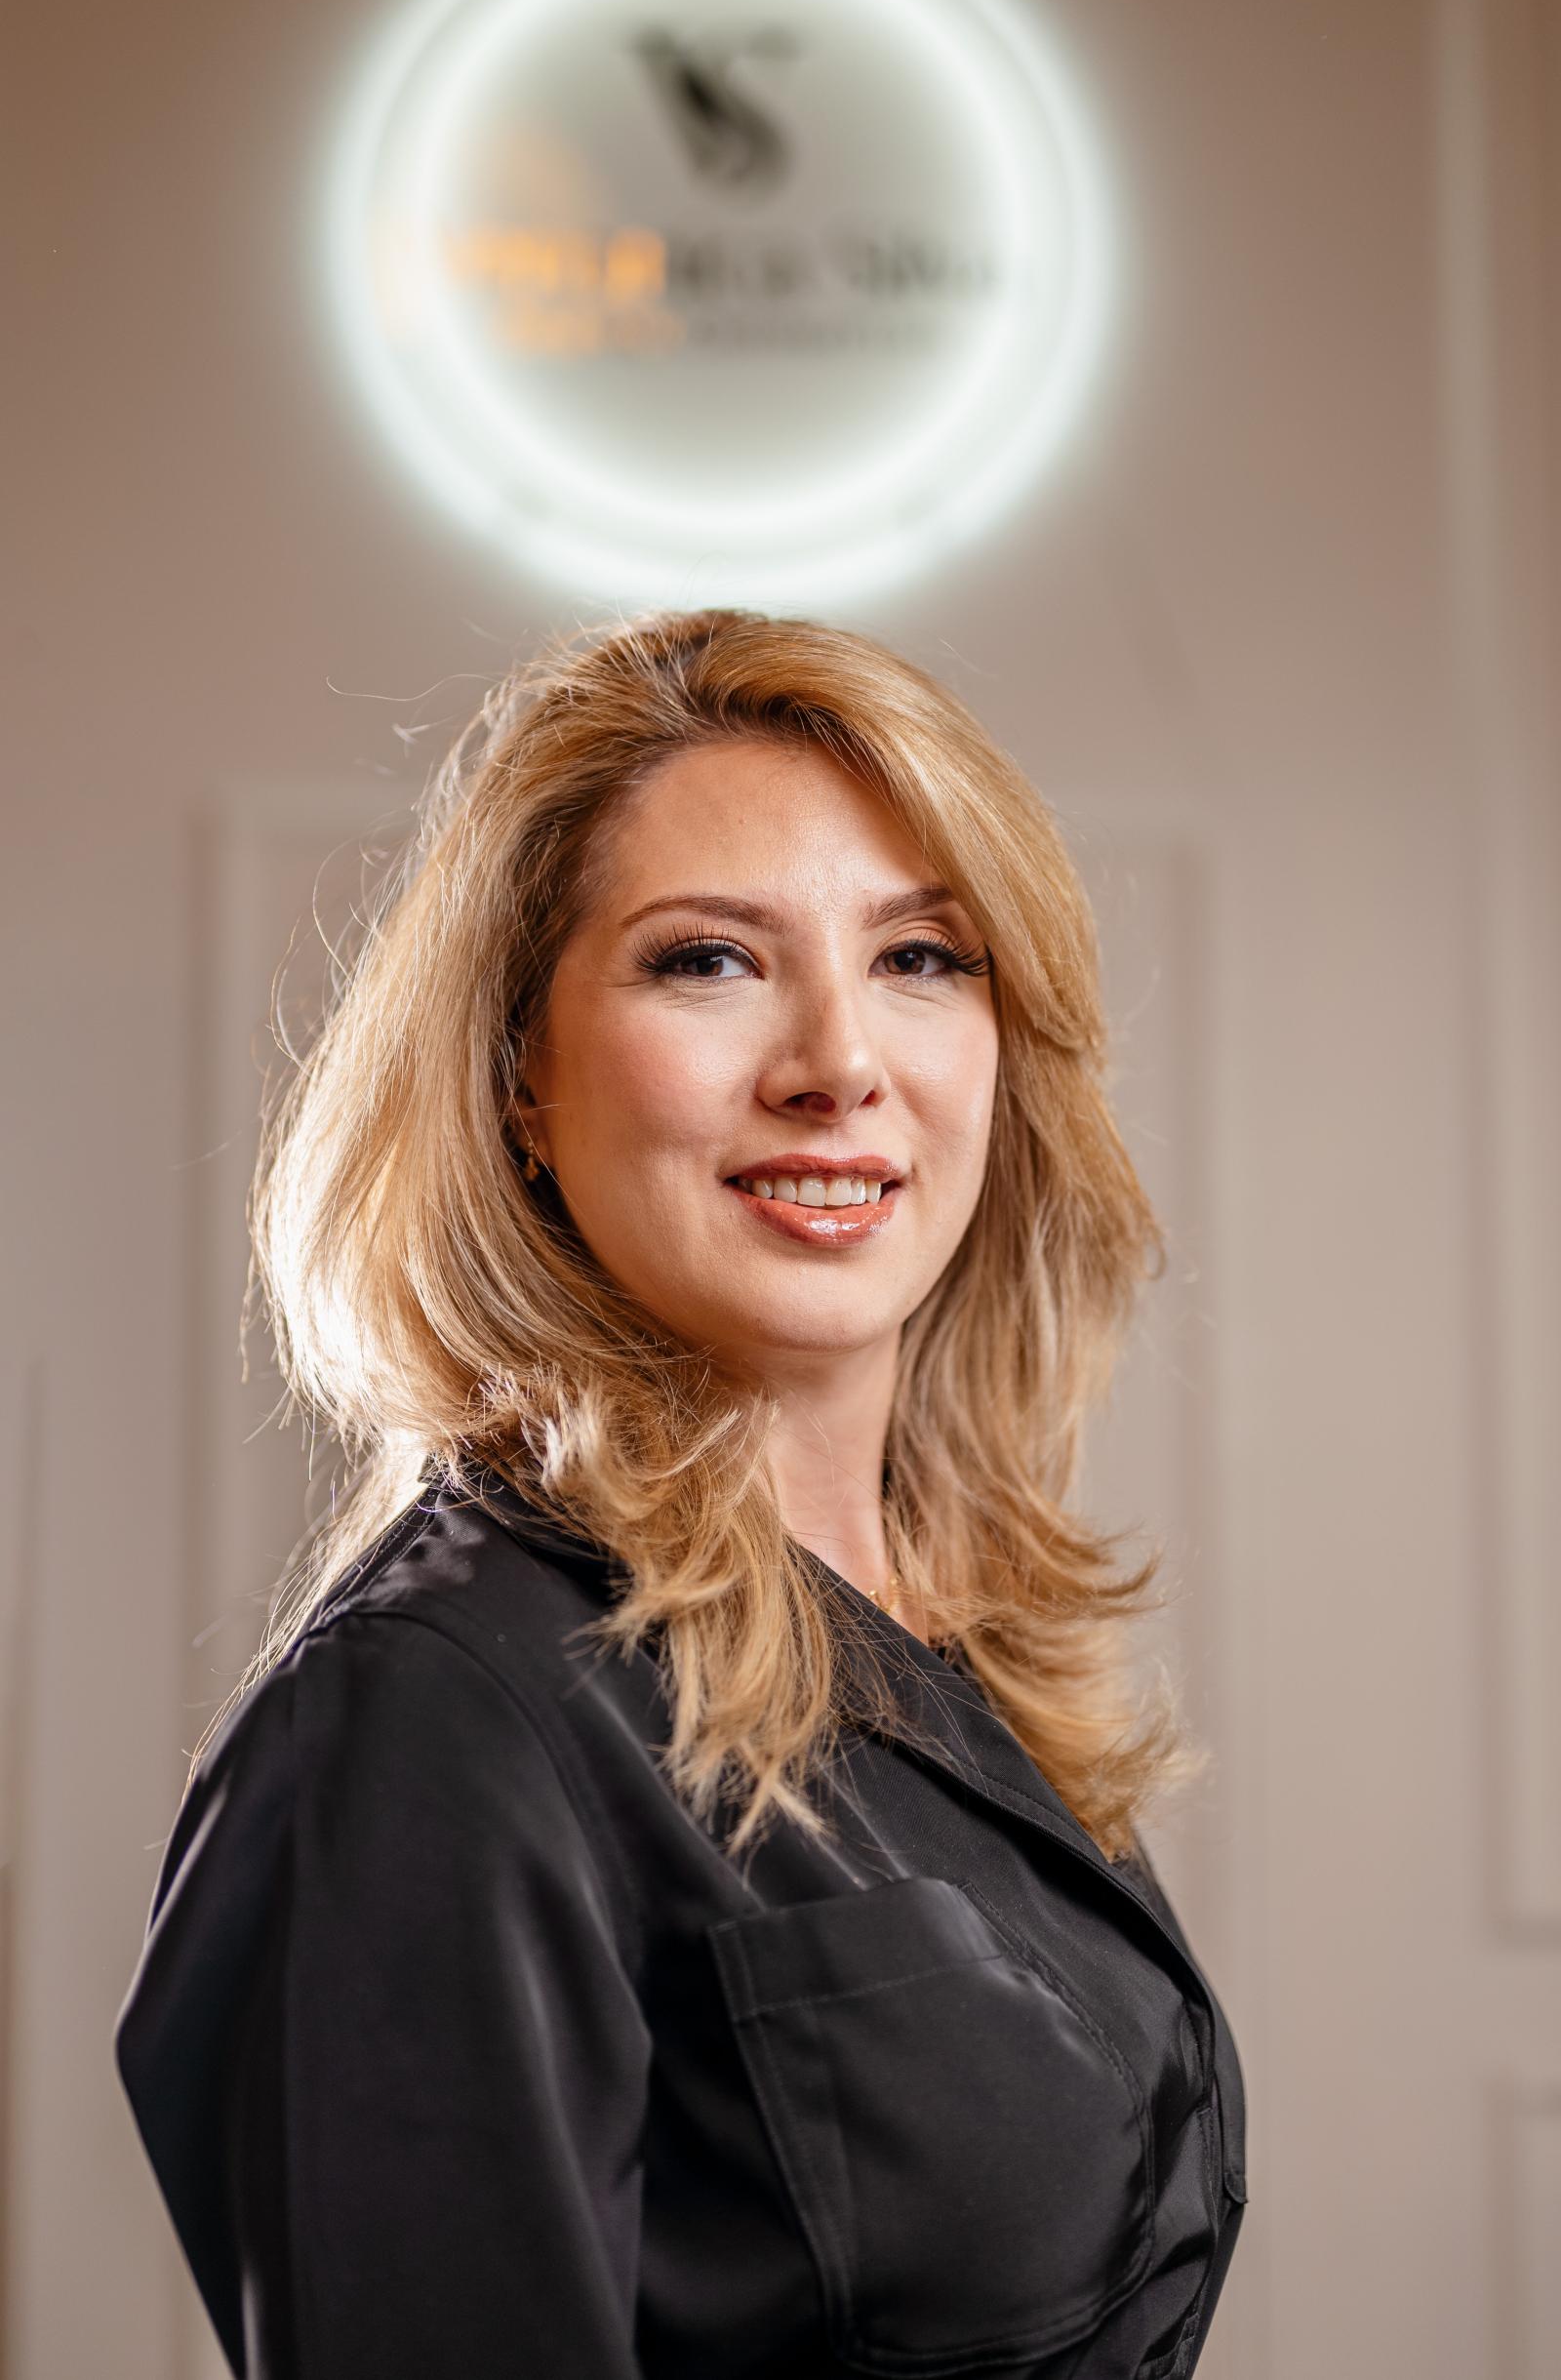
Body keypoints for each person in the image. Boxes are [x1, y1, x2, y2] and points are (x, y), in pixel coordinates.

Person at [114, 608, 1247, 2378]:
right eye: (709, 960)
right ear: (518, 1079)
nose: (838, 1063)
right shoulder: (425, 1717)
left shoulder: (939, 1632)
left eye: (923, 958)